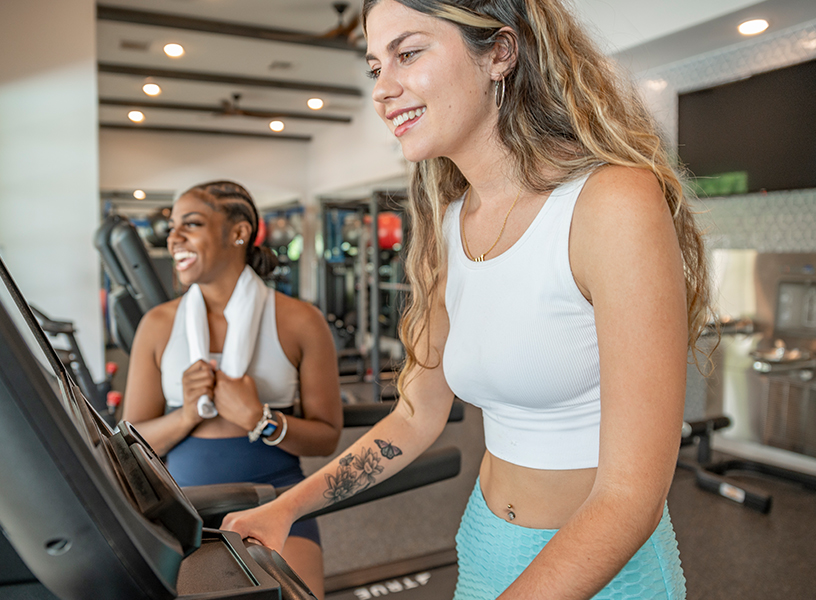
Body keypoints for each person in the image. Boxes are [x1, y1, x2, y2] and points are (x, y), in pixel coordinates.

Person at [223, 1, 711, 598]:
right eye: (376, 67)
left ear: (499, 53)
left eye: (408, 53)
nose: (384, 89)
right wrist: (287, 508)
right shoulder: (446, 227)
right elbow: (415, 416)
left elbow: (631, 495)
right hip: (484, 546)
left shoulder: (612, 204)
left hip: (602, 567)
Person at [123, 180, 342, 600]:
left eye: (192, 223)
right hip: (182, 506)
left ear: (239, 233)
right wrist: (185, 414)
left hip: (275, 499)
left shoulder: (300, 321)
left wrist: (260, 419)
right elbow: (130, 442)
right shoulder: (157, 325)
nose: (174, 237)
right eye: (172, 227)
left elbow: (327, 436)